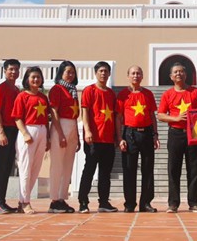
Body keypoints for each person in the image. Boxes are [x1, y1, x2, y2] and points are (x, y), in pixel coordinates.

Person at [157, 62, 197, 213]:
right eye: (175, 72)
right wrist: (176, 119)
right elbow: (160, 115)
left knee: (193, 169)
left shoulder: (195, 92)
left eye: (181, 71)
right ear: (171, 77)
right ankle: (173, 203)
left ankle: (193, 203)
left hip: (192, 134)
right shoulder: (167, 94)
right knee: (173, 169)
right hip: (175, 134)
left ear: (186, 74)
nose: (179, 74)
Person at [12, 66, 58, 214]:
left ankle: (22, 201)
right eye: (33, 77)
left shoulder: (43, 97)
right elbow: (17, 118)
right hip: (28, 131)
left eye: (38, 77)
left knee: (35, 169)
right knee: (25, 168)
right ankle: (25, 202)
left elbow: (46, 119)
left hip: (42, 132)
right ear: (27, 79)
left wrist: (48, 138)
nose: (36, 79)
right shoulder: (22, 96)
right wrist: (25, 133)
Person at [77, 61, 119, 214]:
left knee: (105, 173)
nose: (103, 73)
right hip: (93, 139)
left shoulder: (110, 93)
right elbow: (85, 112)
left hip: (108, 140)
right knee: (89, 170)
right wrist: (87, 131)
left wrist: (116, 136)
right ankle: (83, 201)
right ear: (96, 73)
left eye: (106, 71)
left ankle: (104, 202)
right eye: (101, 71)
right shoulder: (89, 90)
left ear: (109, 74)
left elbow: (115, 116)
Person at [116, 65, 160, 213]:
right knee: (129, 170)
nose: (136, 76)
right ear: (128, 76)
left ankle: (146, 203)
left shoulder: (148, 94)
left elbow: (152, 115)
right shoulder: (123, 95)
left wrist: (155, 135)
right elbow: (119, 117)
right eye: (133, 73)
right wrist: (120, 137)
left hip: (146, 133)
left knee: (148, 170)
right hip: (129, 134)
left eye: (138, 73)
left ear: (142, 76)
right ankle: (129, 203)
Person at [47, 60, 80, 213]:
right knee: (57, 164)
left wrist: (77, 136)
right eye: (68, 72)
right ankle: (54, 200)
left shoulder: (73, 90)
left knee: (68, 165)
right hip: (60, 126)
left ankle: (62, 198)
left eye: (73, 72)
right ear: (61, 73)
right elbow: (54, 112)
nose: (71, 75)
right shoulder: (57, 89)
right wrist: (60, 133)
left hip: (72, 126)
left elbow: (75, 115)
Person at [0, 58, 21, 214]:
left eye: (16, 69)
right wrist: (0, 132)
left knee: (7, 167)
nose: (13, 72)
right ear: (5, 71)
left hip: (14, 130)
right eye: (11, 69)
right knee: (0, 167)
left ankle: (2, 201)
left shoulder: (16, 90)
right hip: (4, 131)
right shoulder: (0, 89)